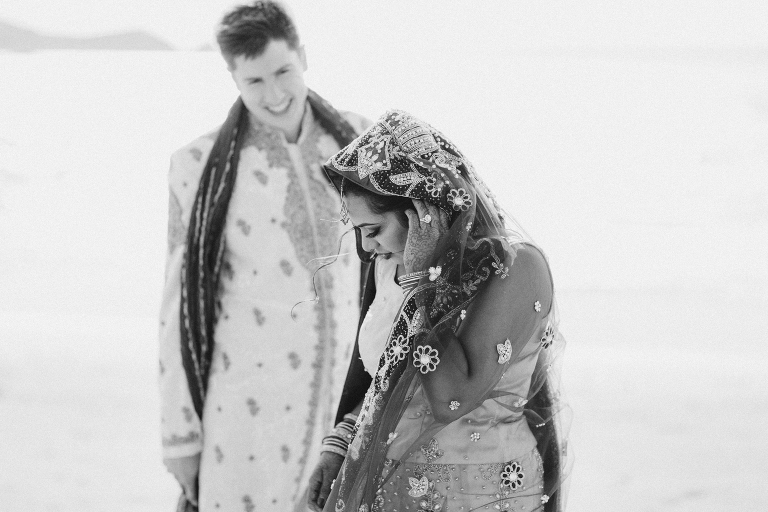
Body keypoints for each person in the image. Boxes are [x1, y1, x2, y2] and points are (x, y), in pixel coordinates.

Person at [158, 2, 370, 511]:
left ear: (303, 56)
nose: (274, 94)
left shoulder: (361, 143)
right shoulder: (198, 166)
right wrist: (180, 436)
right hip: (247, 410)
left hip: (345, 406)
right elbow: (178, 307)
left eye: (283, 72)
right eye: (254, 81)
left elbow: (401, 260)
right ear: (232, 77)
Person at [308, 110, 571, 512]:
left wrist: (424, 284)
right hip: (389, 490)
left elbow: (452, 398)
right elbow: (383, 382)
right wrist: (340, 441)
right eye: (358, 231)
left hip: (482, 494)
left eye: (373, 230)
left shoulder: (517, 269)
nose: (366, 248)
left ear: (424, 210)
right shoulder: (388, 266)